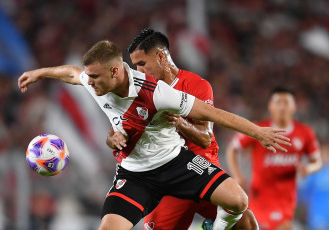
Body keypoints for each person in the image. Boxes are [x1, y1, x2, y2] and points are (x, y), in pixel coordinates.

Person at [18, 40, 290, 230]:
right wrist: (39, 73)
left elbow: (214, 114)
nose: (90, 82)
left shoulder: (157, 93)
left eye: (96, 77)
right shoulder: (94, 81)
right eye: (90, 77)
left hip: (176, 164)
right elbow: (72, 74)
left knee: (239, 202)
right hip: (134, 175)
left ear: (115, 71)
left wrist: (258, 132)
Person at [106, 28, 258, 230]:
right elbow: (115, 132)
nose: (138, 71)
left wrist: (180, 122)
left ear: (160, 57)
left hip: (201, 171)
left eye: (142, 64)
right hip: (166, 178)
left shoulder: (196, 85)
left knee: (246, 222)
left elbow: (205, 138)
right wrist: (113, 138)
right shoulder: (137, 91)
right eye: (135, 66)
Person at [226, 86, 322, 230]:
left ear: (294, 106)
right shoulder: (259, 129)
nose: (282, 107)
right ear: (270, 106)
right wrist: (237, 176)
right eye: (278, 102)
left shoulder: (305, 133)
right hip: (260, 198)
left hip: (287, 201)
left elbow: (317, 161)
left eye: (286, 102)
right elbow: (233, 148)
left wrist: (309, 168)